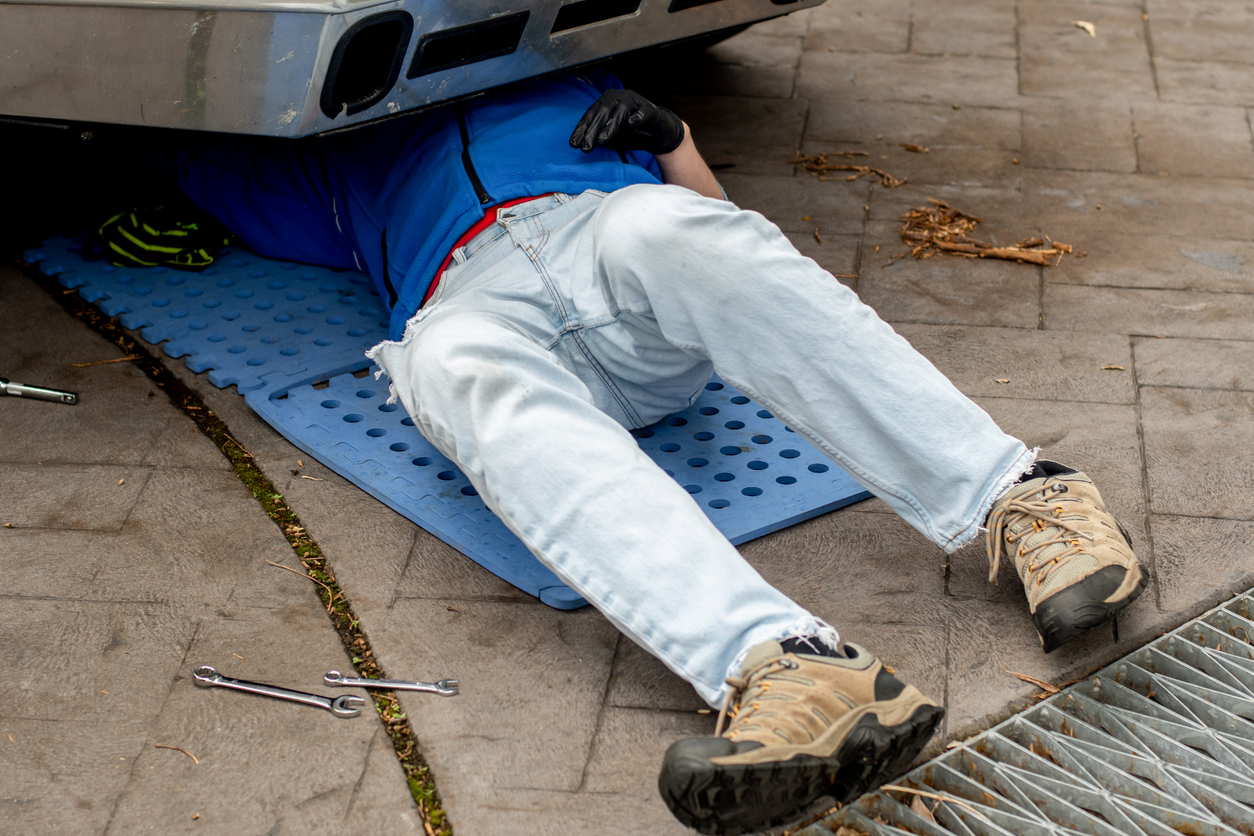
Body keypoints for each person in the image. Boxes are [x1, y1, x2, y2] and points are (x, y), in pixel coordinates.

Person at [115, 71, 1147, 835]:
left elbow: (743, 263)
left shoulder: (575, 84)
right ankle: (789, 670)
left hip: (610, 257)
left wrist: (675, 135)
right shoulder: (341, 167)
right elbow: (201, 148)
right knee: (439, 359)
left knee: (668, 231)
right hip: (469, 298)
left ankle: (1027, 496)